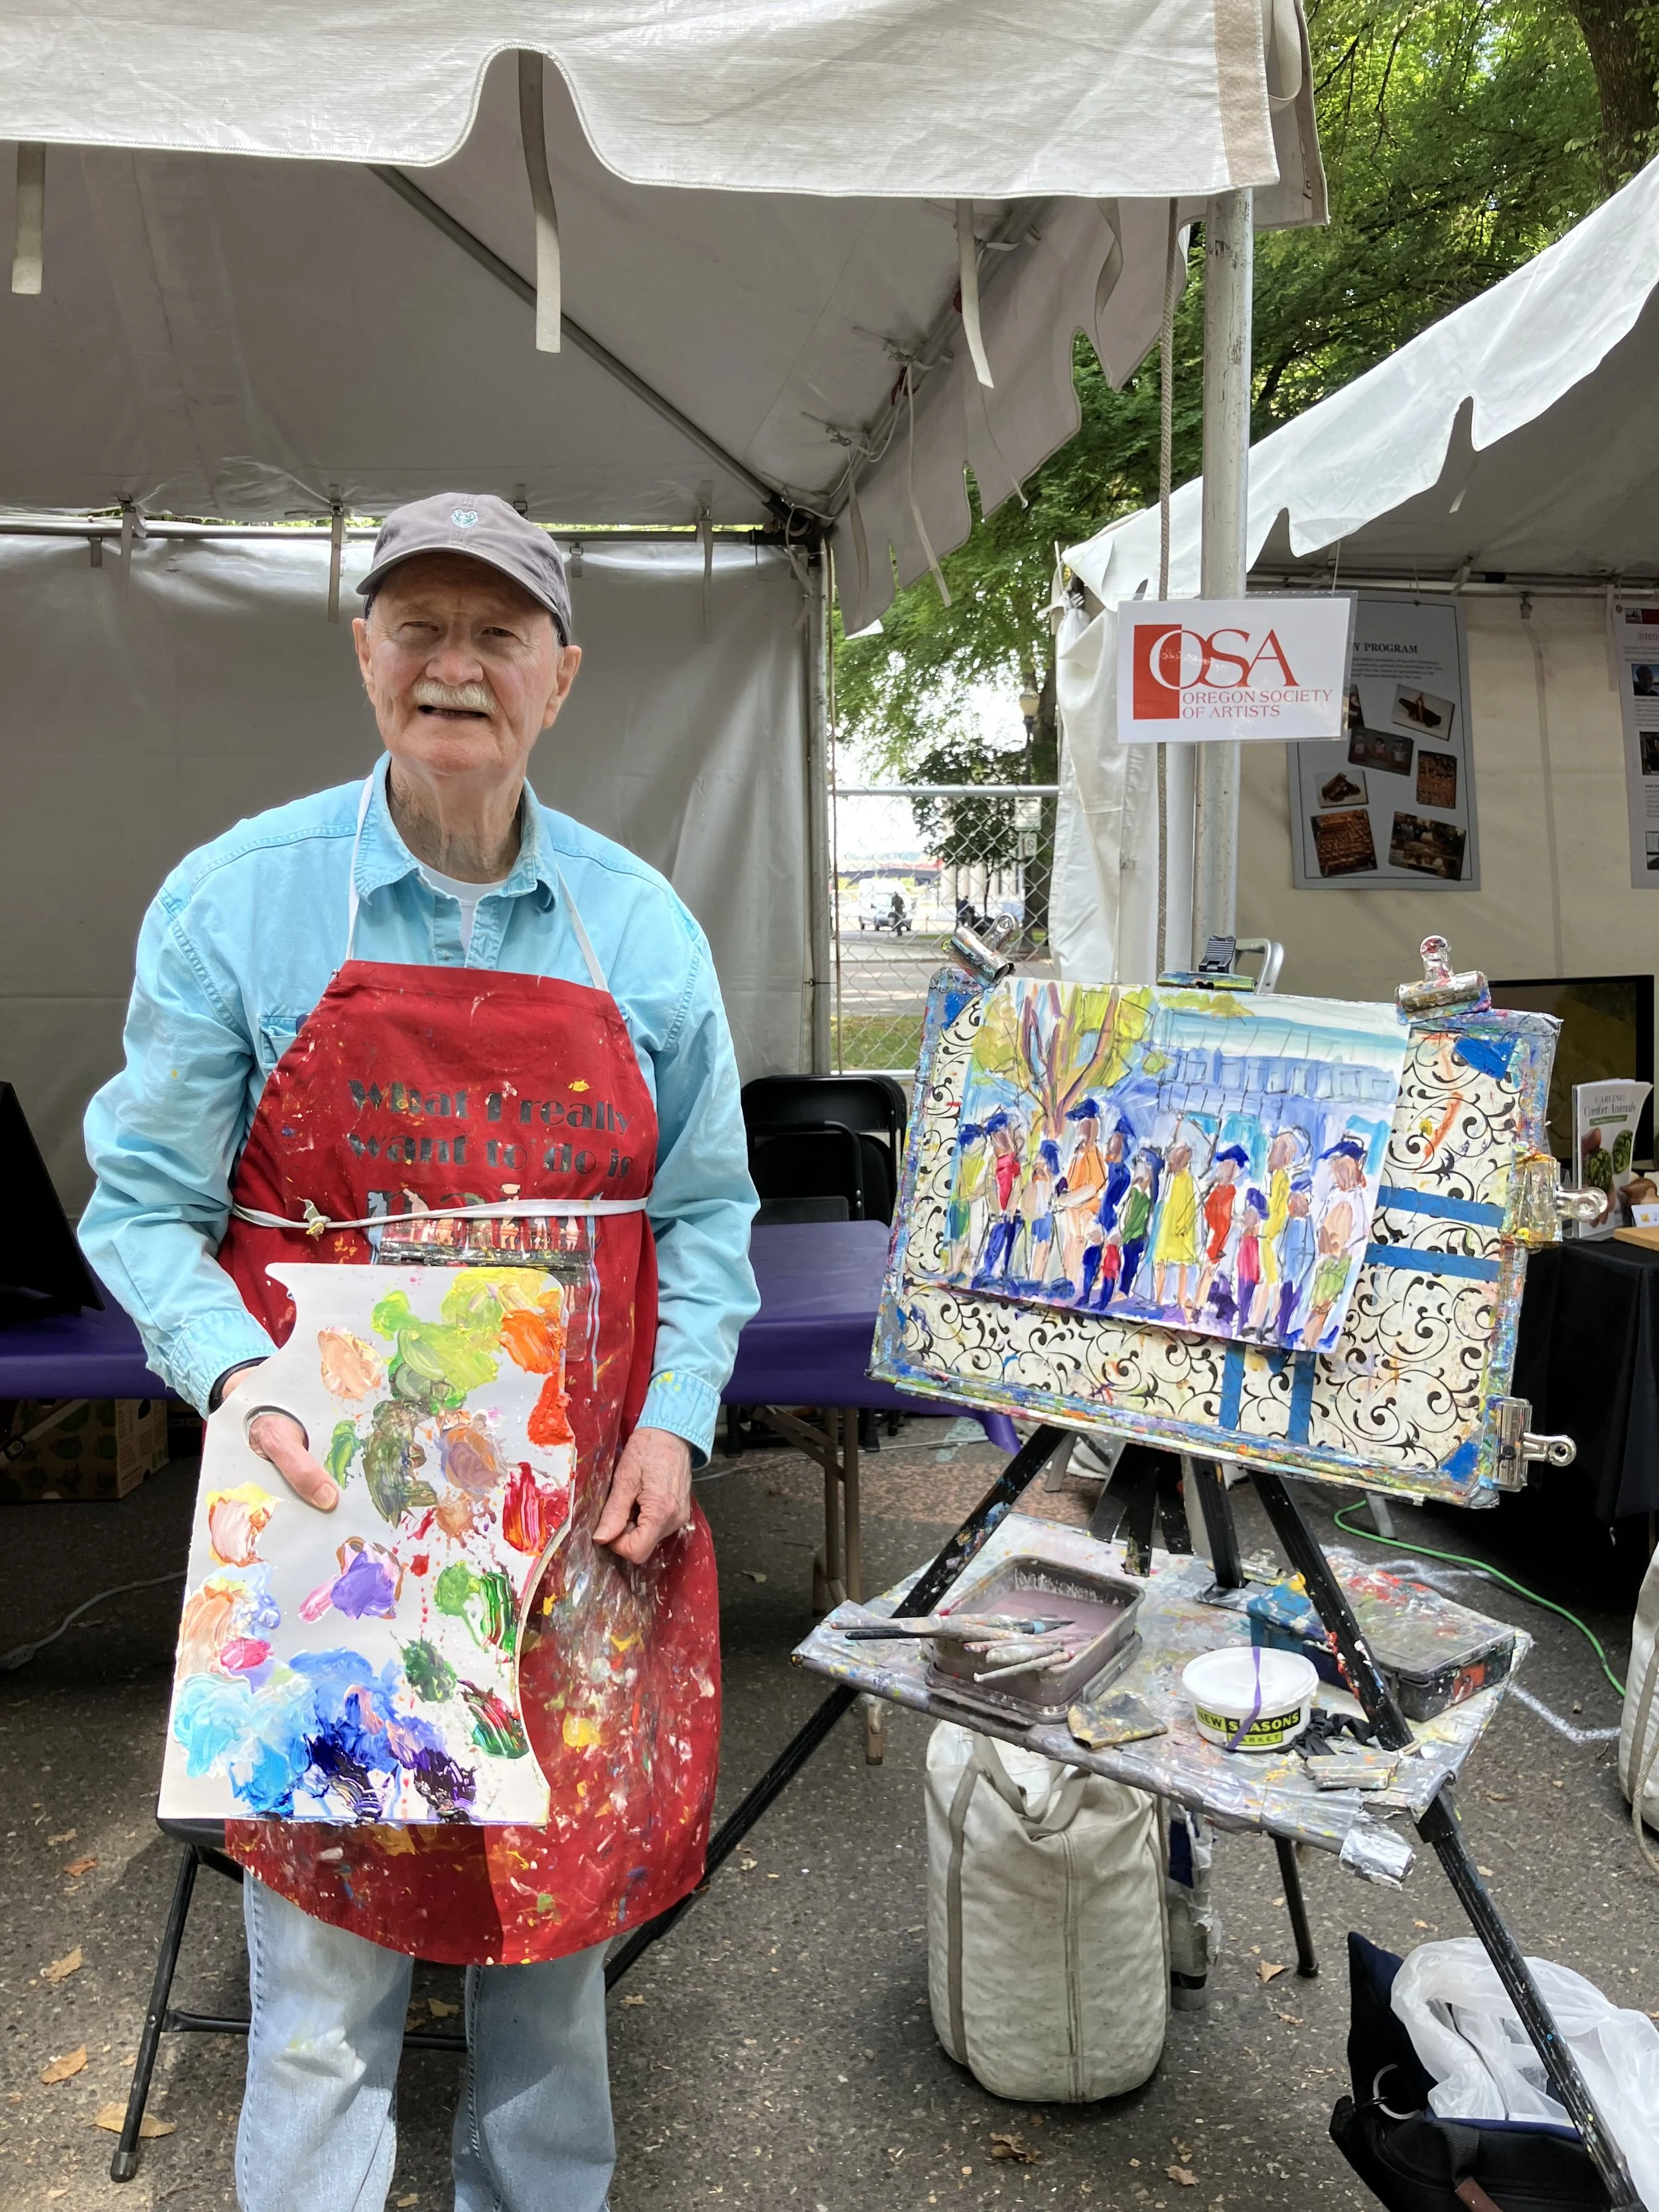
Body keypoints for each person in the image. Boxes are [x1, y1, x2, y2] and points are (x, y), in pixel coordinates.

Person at [79, 494, 760, 2212]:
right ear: (363, 650)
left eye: (498, 631)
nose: (455, 662)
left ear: (562, 671)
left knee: (552, 1957)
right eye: (418, 625)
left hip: (582, 1528)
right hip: (332, 1529)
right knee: (319, 1990)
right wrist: (244, 1380)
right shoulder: (237, 902)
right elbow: (141, 1208)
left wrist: (676, 1419)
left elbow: (707, 1214)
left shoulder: (646, 933)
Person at [1301, 1136, 1370, 1349]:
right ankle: (1306, 1339)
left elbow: (1361, 1229)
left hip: (1339, 1259)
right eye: (1336, 1169)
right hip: (1325, 1257)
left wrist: (1345, 1248)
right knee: (1316, 1302)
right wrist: (1322, 1239)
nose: (1337, 1173)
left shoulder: (1356, 1196)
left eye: (1342, 1169)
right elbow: (1321, 1220)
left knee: (1323, 1305)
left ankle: (1310, 1341)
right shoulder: (1333, 1194)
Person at [1054, 1098, 1108, 1295]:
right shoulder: (1079, 1151)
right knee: (1070, 1243)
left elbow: (1093, 1186)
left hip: (1086, 1210)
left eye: (1082, 1120)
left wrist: (1068, 1199)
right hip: (1073, 1211)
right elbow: (1071, 1181)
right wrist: (1062, 1190)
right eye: (1078, 1121)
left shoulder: (1092, 1152)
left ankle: (1078, 1286)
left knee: (1079, 1243)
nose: (1078, 1126)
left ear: (1092, 1124)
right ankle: (1068, 1282)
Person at [1151, 1140, 1199, 1312]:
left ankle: (1177, 1299)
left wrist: (1182, 1227)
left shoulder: (1184, 1179)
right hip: (1170, 1225)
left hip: (1178, 1227)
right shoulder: (1174, 1177)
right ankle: (1162, 1298)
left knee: (1179, 1264)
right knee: (1166, 1262)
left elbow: (1188, 1207)